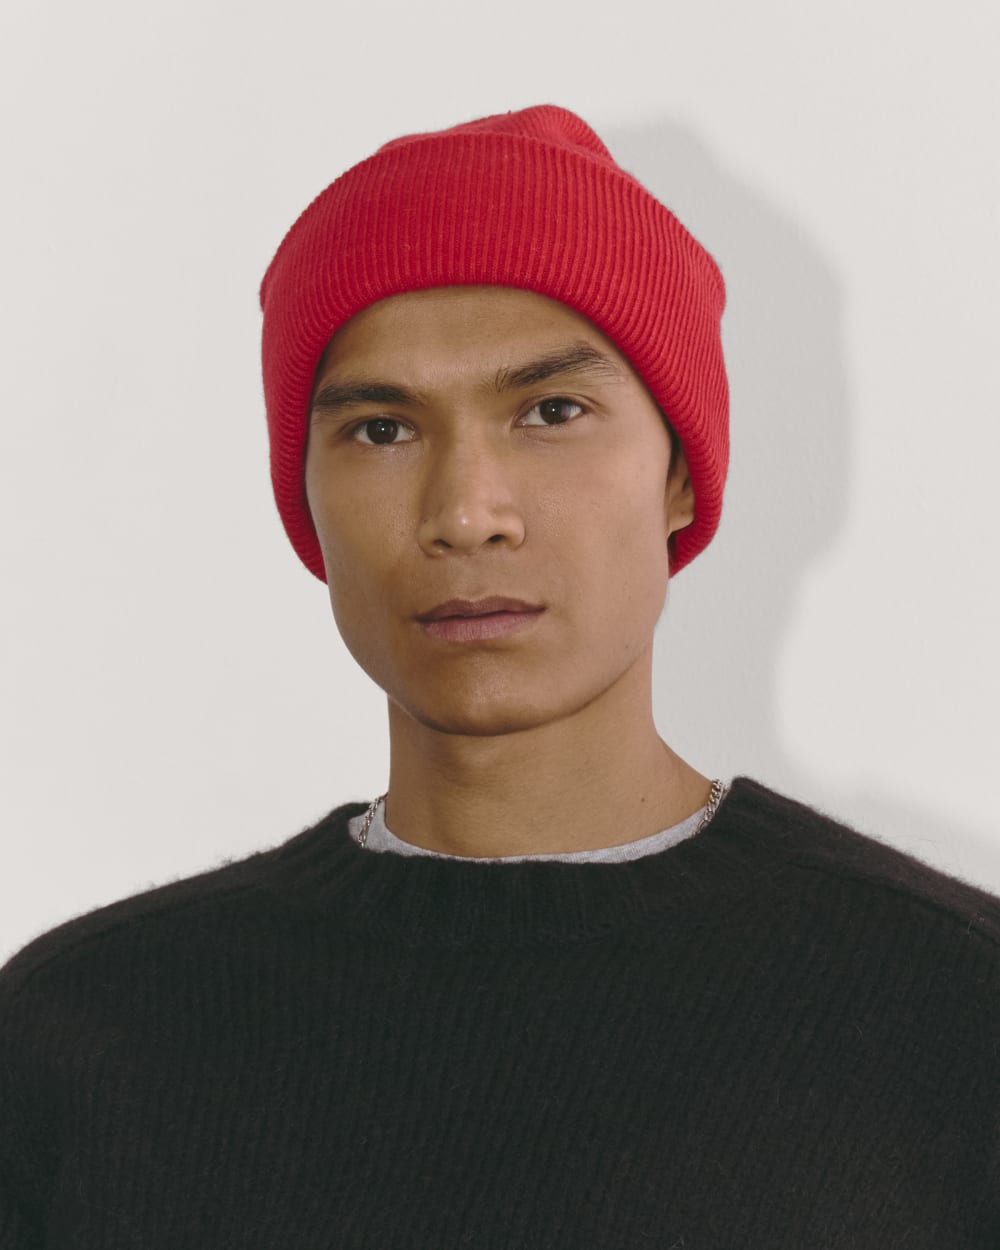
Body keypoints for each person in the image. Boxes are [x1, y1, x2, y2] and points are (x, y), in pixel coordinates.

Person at [1, 104, 998, 1249]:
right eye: (382, 429)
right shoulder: (85, 1032)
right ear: (305, 498)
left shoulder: (951, 1014)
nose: (467, 511)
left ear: (680, 474)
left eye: (552, 411)